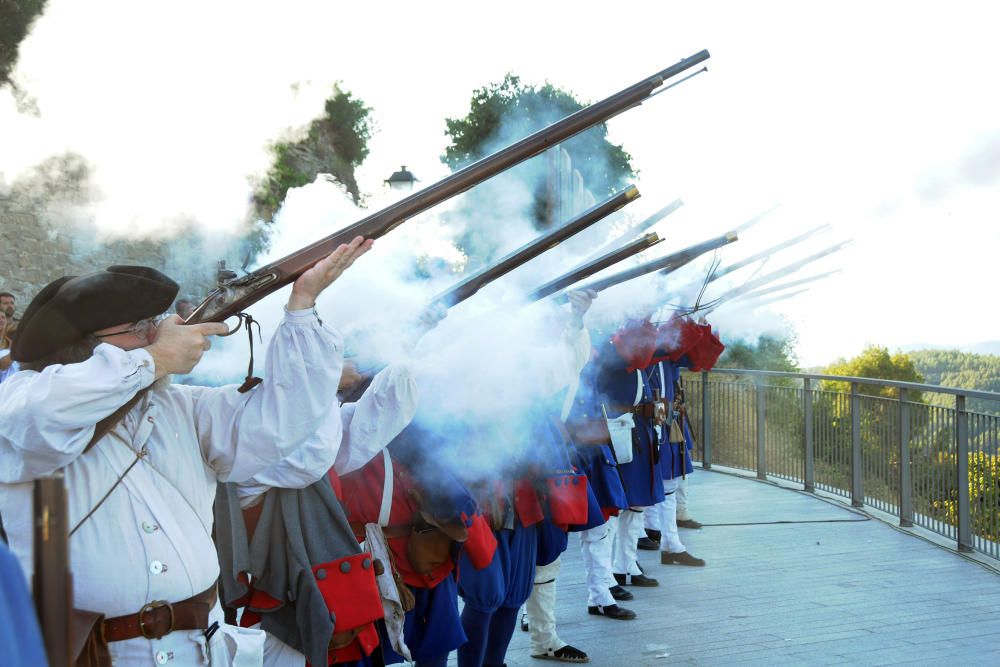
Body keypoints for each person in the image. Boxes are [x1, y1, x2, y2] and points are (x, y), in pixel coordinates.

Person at [0, 236, 372, 666]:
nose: (157, 333)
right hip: (91, 653)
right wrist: (153, 360)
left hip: (200, 646)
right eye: (140, 328)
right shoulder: (22, 401)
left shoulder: (181, 406)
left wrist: (303, 305)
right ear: (85, 346)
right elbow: (43, 416)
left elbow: (286, 421)